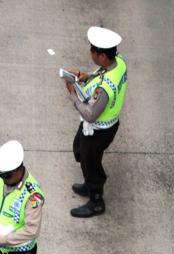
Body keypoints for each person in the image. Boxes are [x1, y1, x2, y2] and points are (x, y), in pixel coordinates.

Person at [63, 26, 128, 218]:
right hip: (106, 127)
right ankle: (89, 180)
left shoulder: (105, 90)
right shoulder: (119, 62)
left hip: (98, 131)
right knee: (80, 150)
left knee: (91, 163)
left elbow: (91, 114)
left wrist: (73, 95)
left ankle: (96, 200)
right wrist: (86, 76)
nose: (90, 53)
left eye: (93, 51)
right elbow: (102, 74)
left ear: (102, 56)